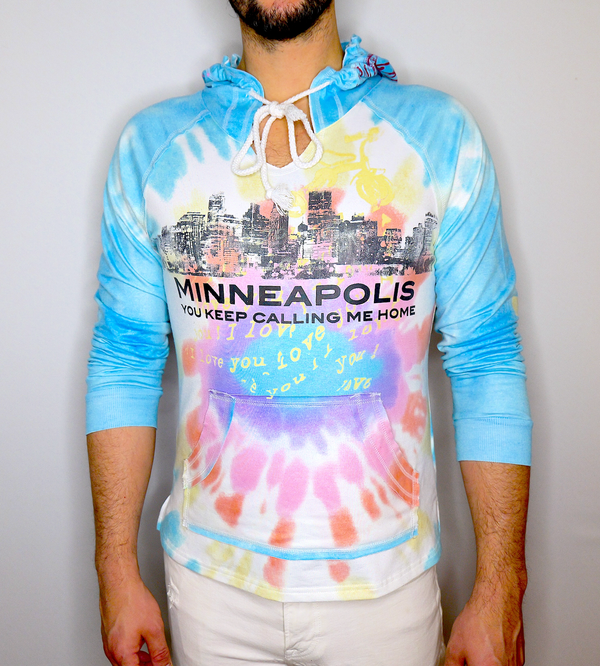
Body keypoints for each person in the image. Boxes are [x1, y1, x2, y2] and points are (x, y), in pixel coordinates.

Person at [86, 1, 532, 665]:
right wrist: (115, 568)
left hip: (387, 589)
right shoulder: (153, 149)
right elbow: (123, 360)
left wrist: (501, 584)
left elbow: (487, 357)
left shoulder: (438, 136)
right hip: (209, 584)